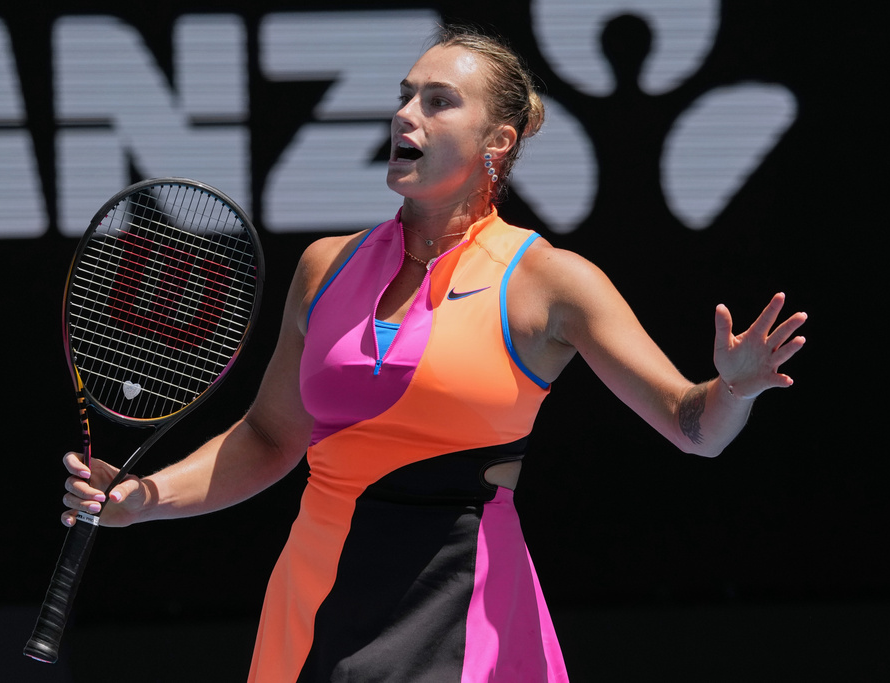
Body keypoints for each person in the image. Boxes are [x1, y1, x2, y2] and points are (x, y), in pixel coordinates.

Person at [60, 26, 807, 682]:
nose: (405, 114)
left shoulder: (550, 283)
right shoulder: (327, 266)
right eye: (405, 95)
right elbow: (269, 436)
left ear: (498, 141)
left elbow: (691, 425)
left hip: (461, 606)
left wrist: (733, 388)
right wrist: (143, 499)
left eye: (438, 101)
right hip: (312, 600)